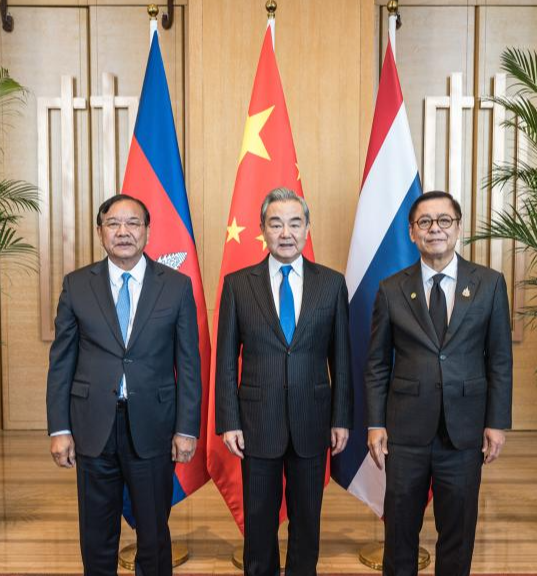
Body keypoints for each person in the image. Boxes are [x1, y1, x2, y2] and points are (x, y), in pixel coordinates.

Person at [46, 194, 201, 576]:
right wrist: (60, 428)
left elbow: (189, 363)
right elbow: (61, 360)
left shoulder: (177, 287)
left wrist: (186, 428)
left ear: (147, 232)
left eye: (133, 223)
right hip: (93, 425)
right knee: (97, 534)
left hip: (154, 425)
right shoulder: (77, 285)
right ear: (101, 233)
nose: (124, 231)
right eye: (113, 224)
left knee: (153, 533)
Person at [364, 190, 512, 576]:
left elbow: (499, 359)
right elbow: (377, 364)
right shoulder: (391, 289)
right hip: (406, 432)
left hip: (463, 432)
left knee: (458, 534)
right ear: (412, 233)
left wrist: (496, 422)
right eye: (425, 222)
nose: (435, 229)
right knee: (399, 534)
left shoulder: (490, 284)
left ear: (458, 228)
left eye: (444, 220)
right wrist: (376, 423)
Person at [215, 187, 353, 576]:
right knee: (259, 520)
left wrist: (341, 417)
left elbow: (340, 357)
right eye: (276, 223)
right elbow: (226, 358)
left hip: (313, 419)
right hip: (257, 421)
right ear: (262, 229)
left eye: (295, 223)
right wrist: (229, 420)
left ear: (307, 229)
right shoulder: (238, 284)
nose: (286, 232)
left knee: (308, 519)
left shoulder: (332, 283)